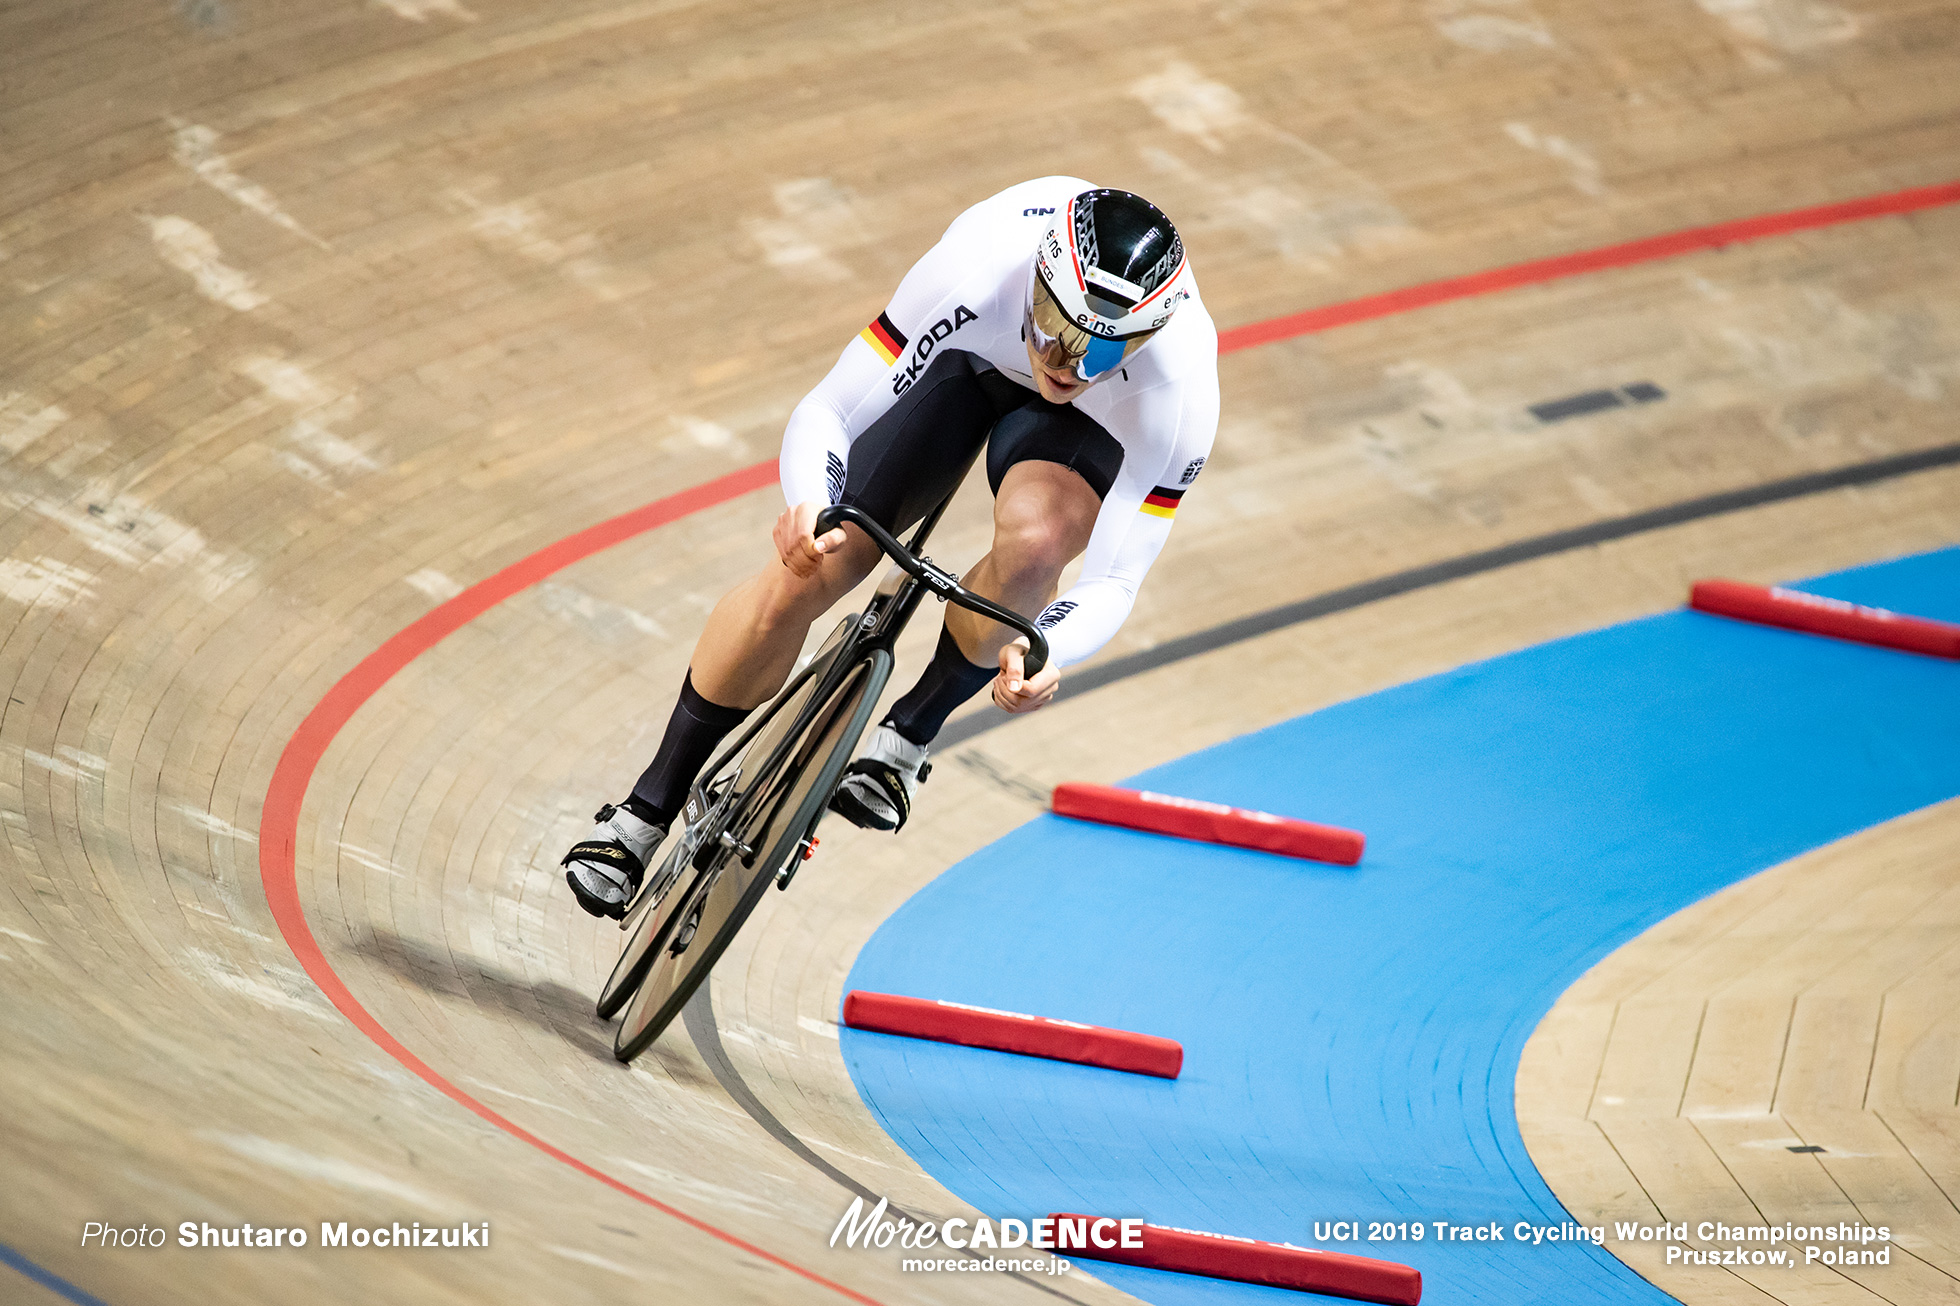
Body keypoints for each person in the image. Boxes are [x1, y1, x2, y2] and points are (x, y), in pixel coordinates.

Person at [562, 178, 1219, 917]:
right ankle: (643, 812)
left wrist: (1046, 653)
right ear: (1035, 281)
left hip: (1083, 432)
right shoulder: (978, 263)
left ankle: (908, 736)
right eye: (1056, 326)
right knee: (815, 564)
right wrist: (809, 504)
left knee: (1039, 545)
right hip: (965, 363)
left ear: (1146, 338)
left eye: (1103, 352)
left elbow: (1116, 578)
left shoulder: (1180, 391)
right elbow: (831, 408)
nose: (1066, 364)